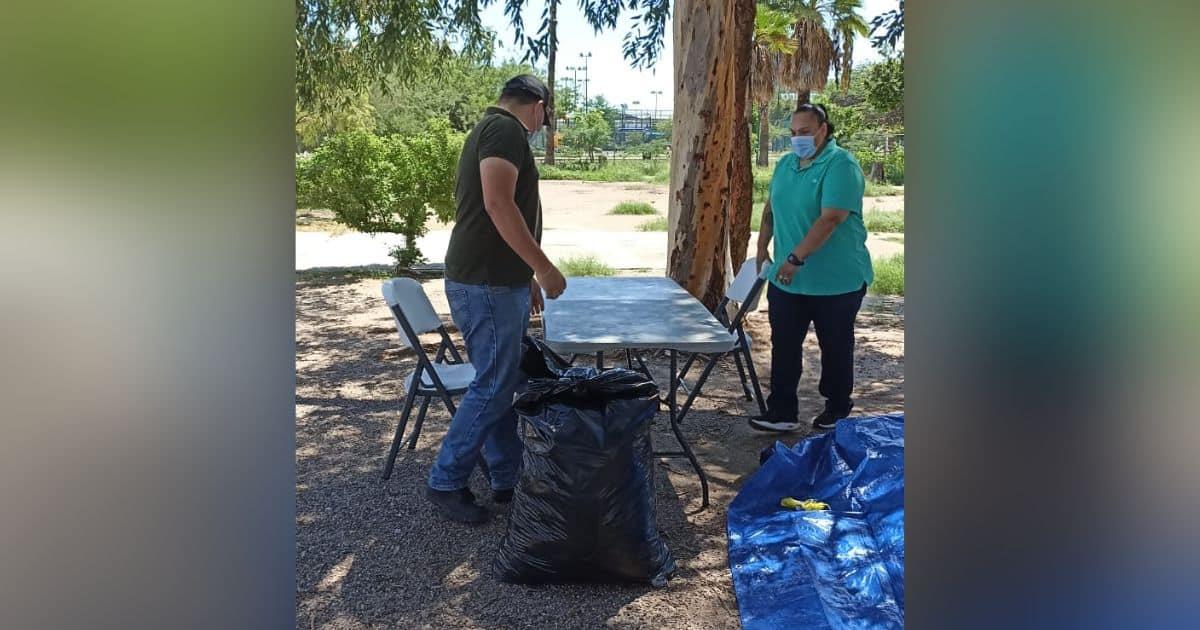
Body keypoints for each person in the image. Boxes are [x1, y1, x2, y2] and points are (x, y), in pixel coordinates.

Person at [426, 75, 568, 523]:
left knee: (500, 381)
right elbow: (498, 204)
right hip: (485, 281)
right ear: (539, 106)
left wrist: (525, 274)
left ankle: (507, 479)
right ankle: (446, 481)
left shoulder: (495, 129)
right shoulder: (506, 130)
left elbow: (502, 209)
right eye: (546, 117)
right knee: (493, 384)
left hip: (495, 279)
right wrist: (543, 268)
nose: (543, 125)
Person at [749, 103, 873, 433]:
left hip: (836, 281)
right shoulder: (787, 164)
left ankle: (836, 407)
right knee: (784, 343)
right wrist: (762, 247)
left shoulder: (840, 164)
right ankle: (782, 411)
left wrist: (795, 258)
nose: (797, 139)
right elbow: (771, 207)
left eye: (804, 132)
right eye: (792, 133)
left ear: (823, 130)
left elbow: (831, 218)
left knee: (835, 344)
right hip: (788, 280)